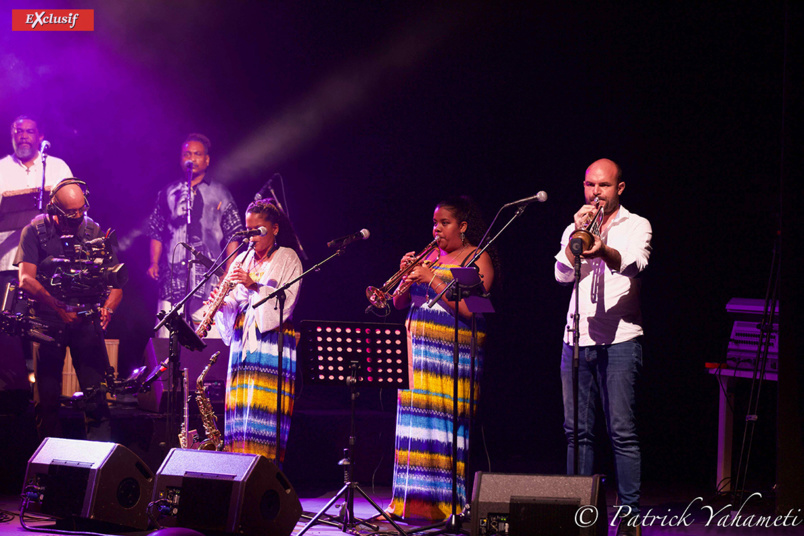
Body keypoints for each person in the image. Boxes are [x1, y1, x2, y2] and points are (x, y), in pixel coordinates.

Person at [554, 158, 652, 535]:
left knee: (621, 432)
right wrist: (575, 239)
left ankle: (629, 518)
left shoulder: (636, 224)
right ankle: (579, 512)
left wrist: (602, 251)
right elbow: (561, 275)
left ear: (619, 189)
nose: (596, 193)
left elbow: (636, 265)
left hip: (621, 339)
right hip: (576, 339)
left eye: (604, 186)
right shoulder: (574, 227)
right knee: (575, 431)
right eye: (591, 185)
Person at [385, 195, 496, 521]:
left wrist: (431, 279)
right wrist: (406, 275)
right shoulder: (427, 258)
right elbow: (398, 302)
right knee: (413, 430)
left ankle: (445, 507)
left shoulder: (477, 259)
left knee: (443, 432)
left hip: (452, 362)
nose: (437, 229)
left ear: (461, 226)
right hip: (417, 357)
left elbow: (474, 310)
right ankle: (408, 504)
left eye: (444, 223)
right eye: (435, 222)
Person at [15, 179, 123, 440]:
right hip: (47, 321)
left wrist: (108, 308)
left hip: (85, 320)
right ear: (55, 210)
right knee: (48, 401)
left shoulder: (94, 231)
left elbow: (118, 283)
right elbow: (25, 279)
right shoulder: (34, 231)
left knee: (96, 398)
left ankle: (99, 467)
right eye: (70, 214)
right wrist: (56, 305)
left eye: (80, 212)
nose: (76, 219)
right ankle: (49, 468)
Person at [213, 199, 302, 461]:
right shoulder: (241, 258)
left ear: (274, 229)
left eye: (257, 230)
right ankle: (238, 470)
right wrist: (221, 304)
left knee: (264, 410)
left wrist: (253, 285)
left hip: (272, 340)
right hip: (243, 340)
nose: (251, 237)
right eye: (248, 230)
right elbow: (233, 300)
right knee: (240, 407)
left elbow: (287, 301)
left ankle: (264, 471)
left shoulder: (288, 257)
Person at [145, 133, 243, 336]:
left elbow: (234, 234)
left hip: (210, 281)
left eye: (197, 154)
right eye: (187, 154)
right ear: (181, 158)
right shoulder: (168, 193)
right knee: (167, 340)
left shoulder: (220, 193)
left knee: (208, 341)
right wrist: (154, 262)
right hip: (171, 281)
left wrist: (229, 270)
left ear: (207, 159)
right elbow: (156, 229)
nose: (192, 158)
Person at [0, 116, 73, 295]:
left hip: (49, 261)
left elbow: (74, 205)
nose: (23, 136)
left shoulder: (58, 167)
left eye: (29, 131)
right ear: (11, 136)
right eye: (19, 131)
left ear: (40, 136)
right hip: (9, 261)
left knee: (46, 318)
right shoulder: (2, 168)